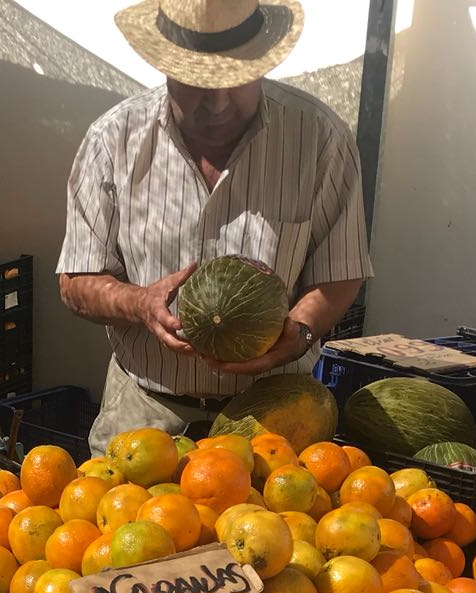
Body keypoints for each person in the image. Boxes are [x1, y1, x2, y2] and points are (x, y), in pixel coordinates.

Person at [58, 0, 371, 454]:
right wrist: (139, 303)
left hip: (275, 419)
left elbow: (341, 270)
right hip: (146, 414)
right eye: (199, 82)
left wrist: (300, 332)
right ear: (164, 65)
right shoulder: (114, 140)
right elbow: (76, 282)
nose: (219, 102)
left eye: (236, 79)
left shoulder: (319, 138)